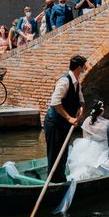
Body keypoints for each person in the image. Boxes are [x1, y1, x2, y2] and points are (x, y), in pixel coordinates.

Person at [44, 54, 87, 183]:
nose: (86, 67)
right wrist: (69, 118)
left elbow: (81, 99)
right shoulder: (65, 81)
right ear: (79, 67)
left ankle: (60, 178)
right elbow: (55, 102)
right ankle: (53, 181)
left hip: (64, 123)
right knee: (55, 154)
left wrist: (81, 108)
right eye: (85, 65)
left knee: (63, 154)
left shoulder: (76, 81)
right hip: (54, 123)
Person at [66, 101, 109, 180]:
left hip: (88, 145)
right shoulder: (106, 122)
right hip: (103, 147)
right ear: (102, 111)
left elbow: (84, 138)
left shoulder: (87, 120)